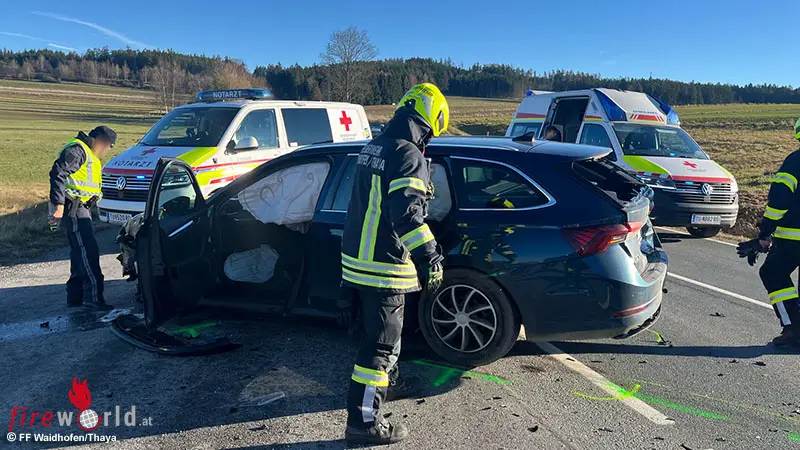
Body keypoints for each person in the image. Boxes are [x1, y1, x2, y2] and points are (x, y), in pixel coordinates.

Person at [340, 83, 447, 445]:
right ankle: (364, 424)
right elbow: (407, 217)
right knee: (380, 348)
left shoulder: (374, 147)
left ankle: (389, 386)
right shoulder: (408, 155)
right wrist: (430, 255)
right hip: (384, 266)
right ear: (429, 123)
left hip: (357, 262)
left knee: (379, 343)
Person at [737, 118, 800, 348]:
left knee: (773, 273)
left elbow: (778, 204)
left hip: (794, 239)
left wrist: (764, 235)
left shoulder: (795, 162)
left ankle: (794, 330)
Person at [48, 126, 117, 311]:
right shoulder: (78, 151)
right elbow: (57, 173)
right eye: (109, 146)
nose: (108, 150)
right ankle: (94, 299)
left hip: (80, 208)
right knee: (88, 252)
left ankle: (75, 297)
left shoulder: (87, 153)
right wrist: (58, 205)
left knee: (79, 253)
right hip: (74, 208)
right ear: (100, 141)